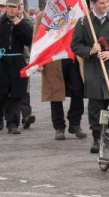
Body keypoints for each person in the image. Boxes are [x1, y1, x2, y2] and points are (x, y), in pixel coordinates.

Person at [71, 0, 109, 153]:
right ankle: (97, 138)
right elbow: (75, 45)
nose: (106, 5)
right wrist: (90, 50)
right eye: (101, 3)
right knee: (96, 106)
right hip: (94, 70)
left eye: (107, 2)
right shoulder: (83, 22)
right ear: (93, 4)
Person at [33, 11, 86, 140]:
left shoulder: (76, 12)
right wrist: (37, 61)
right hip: (52, 59)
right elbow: (37, 38)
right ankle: (59, 126)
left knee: (78, 90)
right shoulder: (43, 16)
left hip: (72, 57)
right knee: (55, 93)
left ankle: (75, 123)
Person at [0, 0, 33, 135]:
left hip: (17, 61)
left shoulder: (24, 24)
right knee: (1, 93)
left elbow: (28, 40)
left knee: (16, 94)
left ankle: (12, 123)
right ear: (6, 8)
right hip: (1, 61)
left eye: (14, 7)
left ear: (18, 9)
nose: (11, 9)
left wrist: (19, 24)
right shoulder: (1, 22)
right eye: (9, 7)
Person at [17, 0, 35, 129]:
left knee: (25, 89)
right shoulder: (5, 21)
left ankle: (26, 116)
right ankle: (10, 116)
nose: (19, 8)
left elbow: (33, 41)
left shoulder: (28, 22)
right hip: (9, 60)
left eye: (21, 5)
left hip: (25, 59)